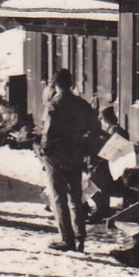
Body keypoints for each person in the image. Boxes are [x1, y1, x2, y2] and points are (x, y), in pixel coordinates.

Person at [40, 69, 101, 253]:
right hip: (76, 155)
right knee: (76, 197)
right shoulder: (82, 104)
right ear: (71, 83)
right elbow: (95, 127)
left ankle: (67, 239)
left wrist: (44, 150)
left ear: (54, 84)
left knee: (59, 198)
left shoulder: (53, 105)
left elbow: (48, 134)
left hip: (57, 156)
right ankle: (80, 237)